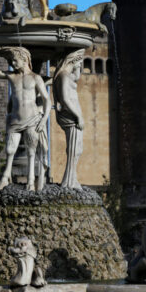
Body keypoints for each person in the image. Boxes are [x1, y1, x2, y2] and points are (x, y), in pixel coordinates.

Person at [0, 46, 51, 191]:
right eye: (12, 61)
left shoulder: (35, 78)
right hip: (15, 119)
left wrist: (44, 118)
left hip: (32, 118)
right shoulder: (11, 76)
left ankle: (31, 181)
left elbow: (47, 99)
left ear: (25, 59)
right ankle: (5, 178)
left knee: (31, 151)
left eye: (15, 61)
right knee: (9, 149)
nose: (13, 64)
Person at [53, 50, 85, 190]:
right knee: (73, 149)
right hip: (71, 117)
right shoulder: (64, 77)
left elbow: (76, 77)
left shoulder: (66, 75)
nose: (80, 66)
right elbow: (65, 99)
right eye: (79, 63)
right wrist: (78, 116)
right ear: (72, 61)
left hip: (73, 116)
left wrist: (77, 66)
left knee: (77, 149)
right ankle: (69, 182)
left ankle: (72, 178)